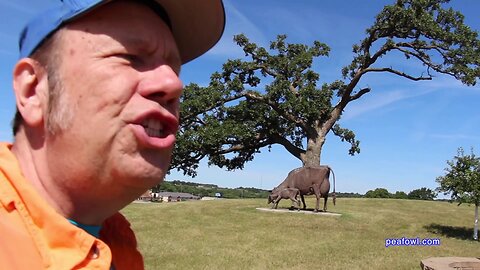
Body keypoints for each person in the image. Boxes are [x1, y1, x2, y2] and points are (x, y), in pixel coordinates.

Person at [0, 0, 225, 269]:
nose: (174, 84)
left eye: (174, 69)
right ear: (33, 90)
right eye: (130, 57)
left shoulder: (116, 245)